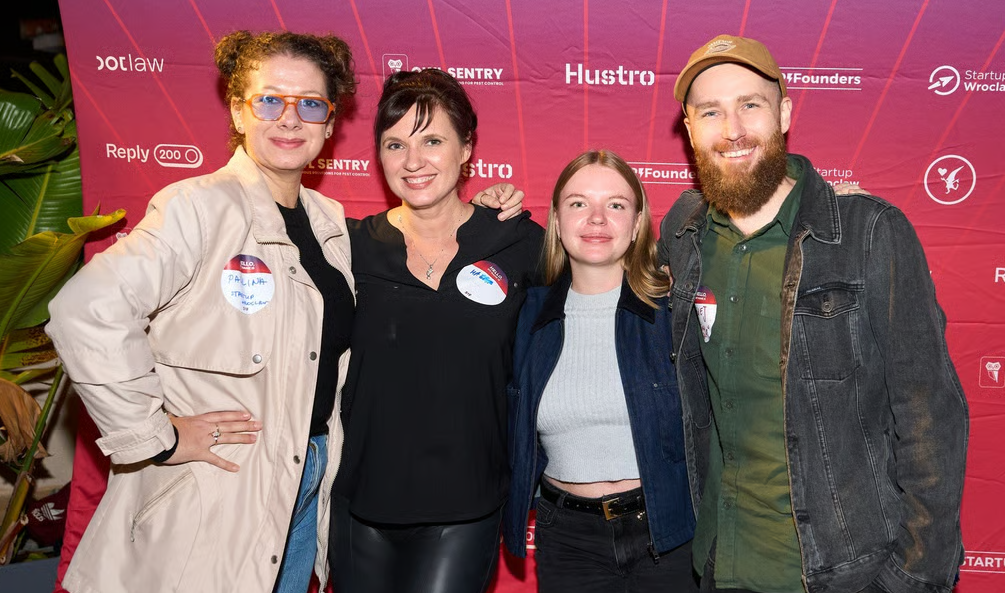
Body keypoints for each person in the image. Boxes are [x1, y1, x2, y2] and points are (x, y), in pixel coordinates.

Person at [45, 32, 520, 593]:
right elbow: (84, 310)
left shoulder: (329, 224)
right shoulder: (198, 207)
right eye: (270, 100)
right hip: (220, 489)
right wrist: (155, 436)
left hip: (308, 487)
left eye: (310, 104)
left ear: (329, 122)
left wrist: (483, 212)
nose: (290, 119)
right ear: (239, 111)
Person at [658, 34, 969, 593]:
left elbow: (930, 417)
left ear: (784, 114)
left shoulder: (867, 233)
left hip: (842, 572)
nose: (731, 129)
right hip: (719, 562)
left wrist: (913, 577)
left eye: (750, 105)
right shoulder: (684, 234)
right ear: (689, 129)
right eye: (710, 111)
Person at [330, 68, 543, 593]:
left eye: (432, 140)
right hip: (362, 500)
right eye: (395, 144)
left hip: (467, 501)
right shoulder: (349, 245)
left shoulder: (518, 241)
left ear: (467, 147)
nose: (413, 161)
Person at [503, 150, 699, 592]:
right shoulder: (524, 316)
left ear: (637, 224)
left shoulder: (676, 313)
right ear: (556, 220)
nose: (595, 219)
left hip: (667, 533)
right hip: (566, 540)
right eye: (577, 203)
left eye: (615, 205)